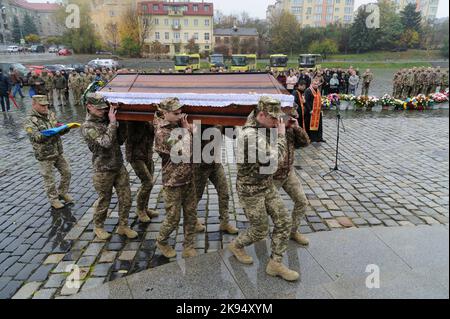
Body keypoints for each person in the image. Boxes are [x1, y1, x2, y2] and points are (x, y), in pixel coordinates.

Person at [229, 96, 299, 282]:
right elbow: (273, 161)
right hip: (251, 189)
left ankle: (275, 263)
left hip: (266, 185)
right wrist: (282, 135)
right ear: (261, 114)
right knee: (260, 230)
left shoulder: (264, 126)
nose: (278, 122)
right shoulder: (249, 135)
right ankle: (236, 245)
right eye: (274, 118)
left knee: (284, 221)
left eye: (279, 118)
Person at [81, 93, 138, 240]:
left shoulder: (106, 119)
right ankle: (99, 226)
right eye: (99, 109)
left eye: (104, 109)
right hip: (103, 170)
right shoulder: (88, 127)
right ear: (89, 107)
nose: (103, 111)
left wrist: (122, 123)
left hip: (118, 166)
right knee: (104, 200)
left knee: (126, 198)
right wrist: (113, 123)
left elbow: (119, 141)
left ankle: (123, 226)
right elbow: (105, 143)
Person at [154, 97, 198, 259]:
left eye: (181, 112)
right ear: (164, 113)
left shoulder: (178, 125)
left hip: (188, 177)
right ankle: (161, 241)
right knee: (173, 217)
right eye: (176, 113)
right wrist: (188, 131)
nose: (180, 116)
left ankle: (189, 245)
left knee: (191, 213)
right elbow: (185, 152)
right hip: (173, 181)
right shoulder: (162, 132)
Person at [24, 95, 74, 209]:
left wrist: (65, 128)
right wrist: (49, 133)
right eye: (42, 105)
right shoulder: (29, 120)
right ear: (34, 105)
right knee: (49, 179)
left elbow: (58, 126)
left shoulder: (50, 114)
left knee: (67, 172)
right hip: (45, 155)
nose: (45, 107)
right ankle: (54, 200)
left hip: (57, 151)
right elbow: (35, 137)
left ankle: (63, 192)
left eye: (46, 105)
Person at [273, 109, 311, 246]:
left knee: (302, 202)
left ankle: (293, 231)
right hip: (272, 176)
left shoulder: (289, 125)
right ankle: (257, 233)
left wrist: (297, 127)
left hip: (288, 172)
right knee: (265, 209)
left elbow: (305, 142)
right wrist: (279, 132)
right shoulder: (267, 126)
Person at [193, 125, 239, 235]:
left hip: (215, 164)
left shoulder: (219, 121)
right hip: (200, 166)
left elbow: (233, 135)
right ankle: (192, 221)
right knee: (195, 196)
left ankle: (225, 222)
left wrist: (229, 122)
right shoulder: (198, 121)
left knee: (224, 193)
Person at [124, 121, 159, 223]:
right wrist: (144, 124)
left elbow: (154, 134)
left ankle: (145, 208)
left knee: (150, 181)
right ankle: (140, 210)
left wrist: (154, 124)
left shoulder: (150, 119)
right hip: (135, 156)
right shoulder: (132, 122)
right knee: (148, 182)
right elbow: (133, 138)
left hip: (147, 154)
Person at [304, 78, 326, 143]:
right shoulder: (308, 91)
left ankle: (319, 138)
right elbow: (306, 102)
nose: (316, 85)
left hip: (318, 111)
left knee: (319, 125)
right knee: (311, 126)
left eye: (317, 84)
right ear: (311, 84)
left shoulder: (318, 90)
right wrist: (310, 110)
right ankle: (313, 138)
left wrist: (321, 109)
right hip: (311, 111)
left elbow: (319, 100)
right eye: (315, 84)